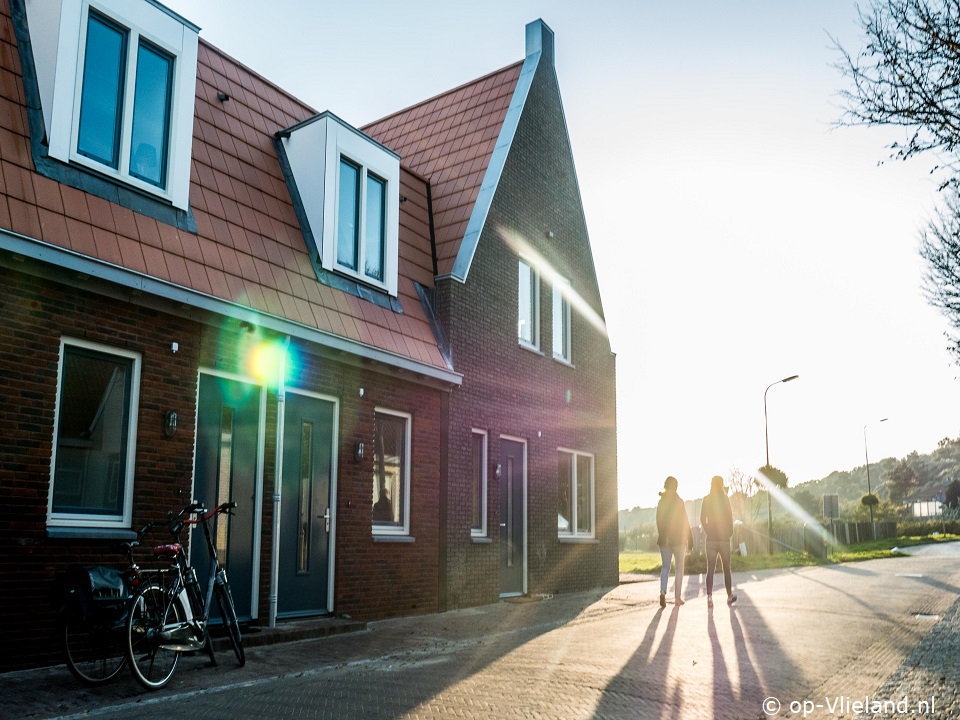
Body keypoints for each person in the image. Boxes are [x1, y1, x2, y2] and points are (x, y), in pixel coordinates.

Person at [700, 475, 737, 607]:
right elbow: (730, 517)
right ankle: (729, 596)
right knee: (727, 568)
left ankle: (709, 598)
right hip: (724, 539)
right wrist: (729, 532)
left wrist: (708, 530)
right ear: (721, 484)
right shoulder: (725, 499)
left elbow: (702, 518)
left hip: (710, 540)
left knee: (710, 569)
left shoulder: (707, 499)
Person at [656, 476, 692, 608]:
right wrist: (689, 538)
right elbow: (685, 521)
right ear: (676, 486)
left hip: (664, 540)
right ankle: (677, 598)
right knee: (679, 568)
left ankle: (662, 591)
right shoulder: (679, 501)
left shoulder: (661, 502)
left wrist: (663, 535)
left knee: (665, 567)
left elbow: (658, 521)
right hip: (678, 540)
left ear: (665, 485)